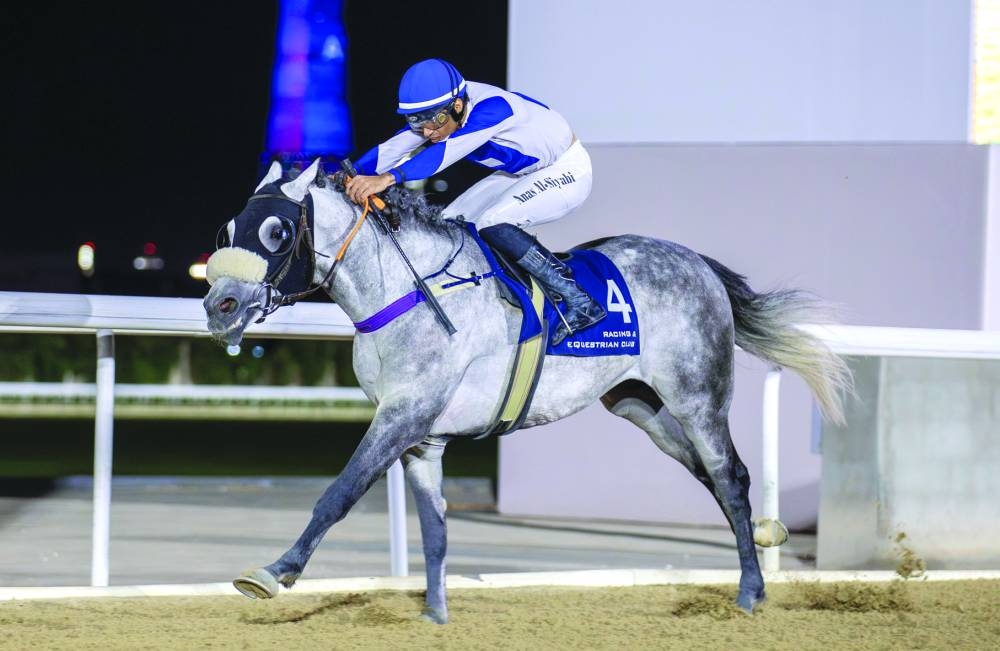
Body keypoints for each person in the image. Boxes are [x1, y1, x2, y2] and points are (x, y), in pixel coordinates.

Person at [345, 58, 605, 345]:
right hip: (522, 172)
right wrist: (348, 173)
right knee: (450, 223)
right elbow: (394, 147)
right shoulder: (444, 110)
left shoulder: (493, 109)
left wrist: (387, 179)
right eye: (418, 122)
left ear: (457, 106)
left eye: (435, 121)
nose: (428, 132)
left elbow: (443, 154)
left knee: (493, 222)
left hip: (567, 169)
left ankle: (579, 299)